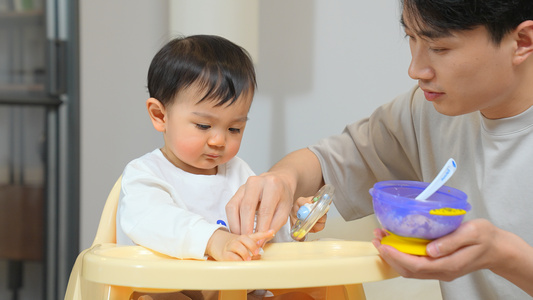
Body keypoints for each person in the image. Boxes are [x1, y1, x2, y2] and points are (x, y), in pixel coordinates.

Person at [226, 0, 533, 299]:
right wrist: (282, 180)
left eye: (439, 48)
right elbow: (325, 161)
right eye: (411, 38)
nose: (415, 70)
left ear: (522, 42)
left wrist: (503, 255)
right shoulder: (427, 112)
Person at [116, 35, 295, 300]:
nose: (219, 140)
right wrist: (214, 239)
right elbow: (156, 221)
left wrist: (292, 223)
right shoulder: (144, 175)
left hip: (237, 291)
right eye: (203, 126)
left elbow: (262, 234)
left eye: (235, 128)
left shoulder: (239, 172)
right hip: (169, 289)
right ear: (160, 115)